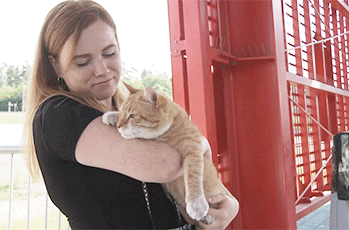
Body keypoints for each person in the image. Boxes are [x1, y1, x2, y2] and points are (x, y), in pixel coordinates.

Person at [23, 0, 239, 229]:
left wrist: (231, 206)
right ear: (55, 65)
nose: (102, 70)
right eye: (83, 61)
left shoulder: (133, 101)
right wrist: (198, 144)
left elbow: (217, 187)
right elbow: (164, 164)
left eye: (109, 53)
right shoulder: (57, 115)